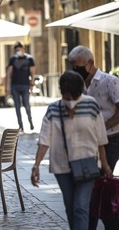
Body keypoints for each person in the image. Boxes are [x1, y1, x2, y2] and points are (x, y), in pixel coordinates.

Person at [31, 70, 112, 230]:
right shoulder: (53, 110)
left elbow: (101, 138)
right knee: (70, 207)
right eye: (67, 97)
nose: (70, 101)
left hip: (87, 165)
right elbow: (44, 140)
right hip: (62, 166)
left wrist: (105, 164)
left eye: (73, 97)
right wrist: (36, 165)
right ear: (61, 92)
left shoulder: (91, 105)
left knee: (81, 206)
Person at [68, 45, 119, 230]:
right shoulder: (79, 85)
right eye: (72, 66)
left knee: (99, 186)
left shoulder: (110, 82)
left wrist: (102, 128)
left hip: (111, 141)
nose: (75, 70)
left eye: (78, 66)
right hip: (87, 143)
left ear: (90, 64)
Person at [6, 41, 35, 131]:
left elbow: (32, 73)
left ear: (23, 48)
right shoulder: (13, 59)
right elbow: (9, 73)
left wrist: (31, 85)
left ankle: (30, 122)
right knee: (17, 106)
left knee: (26, 104)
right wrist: (7, 86)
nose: (18, 51)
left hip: (25, 85)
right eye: (16, 50)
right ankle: (21, 125)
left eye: (19, 49)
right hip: (15, 85)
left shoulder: (29, 59)